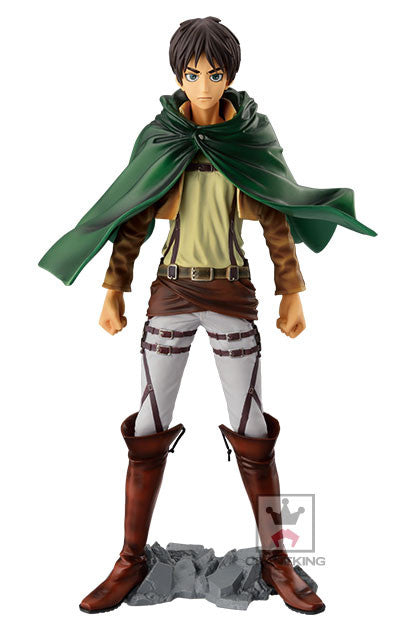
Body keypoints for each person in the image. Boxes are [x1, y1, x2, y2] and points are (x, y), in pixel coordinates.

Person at [38, 16, 376, 615]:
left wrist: (291, 290)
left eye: (213, 74)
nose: (202, 86)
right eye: (191, 74)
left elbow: (274, 214)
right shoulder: (162, 137)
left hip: (232, 293)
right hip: (170, 291)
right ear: (177, 76)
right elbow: (134, 216)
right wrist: (114, 287)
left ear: (229, 76)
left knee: (253, 431)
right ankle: (131, 558)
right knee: (148, 427)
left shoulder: (249, 137)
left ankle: (276, 558)